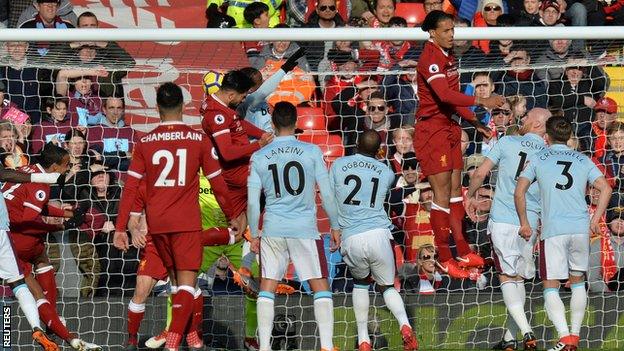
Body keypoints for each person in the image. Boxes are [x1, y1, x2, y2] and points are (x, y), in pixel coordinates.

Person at [113, 82, 244, 351]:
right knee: (187, 284)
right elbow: (218, 182)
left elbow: (130, 188)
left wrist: (119, 228)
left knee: (178, 285)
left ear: (158, 107)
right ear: (184, 106)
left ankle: (191, 338)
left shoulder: (145, 142)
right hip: (185, 222)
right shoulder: (198, 139)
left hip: (157, 225)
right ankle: (173, 341)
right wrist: (231, 214)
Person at [414, 10, 505, 278]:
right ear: (432, 32)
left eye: (452, 30)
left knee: (456, 192)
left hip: (450, 126)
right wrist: (482, 101)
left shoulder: (449, 57)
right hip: (432, 130)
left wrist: (474, 122)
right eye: (445, 30)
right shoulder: (430, 58)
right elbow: (443, 94)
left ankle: (462, 250)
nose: (451, 35)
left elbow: (451, 100)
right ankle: (444, 257)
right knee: (441, 195)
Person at [247, 101, 340, 351]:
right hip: (304, 229)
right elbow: (328, 193)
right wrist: (335, 225)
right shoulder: (311, 152)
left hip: (273, 228)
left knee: (267, 285)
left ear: (273, 124)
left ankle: (265, 347)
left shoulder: (258, 156)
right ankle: (327, 346)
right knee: (319, 284)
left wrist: (254, 233)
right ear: (296, 122)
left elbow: (254, 202)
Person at [515, 116, 612, 351]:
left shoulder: (538, 158)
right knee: (578, 281)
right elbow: (607, 187)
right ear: (569, 137)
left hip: (553, 230)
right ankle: (575, 337)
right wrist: (595, 219)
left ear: (546, 136)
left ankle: (564, 337)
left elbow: (519, 192)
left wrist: (525, 222)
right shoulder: (582, 158)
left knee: (550, 283)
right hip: (580, 228)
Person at [466, 107, 553, 350]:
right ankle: (509, 339)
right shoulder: (548, 153)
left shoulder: (507, 141)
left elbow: (480, 173)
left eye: (526, 118)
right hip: (530, 222)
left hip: (503, 218)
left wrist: (470, 197)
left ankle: (526, 331)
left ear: (536, 124)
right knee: (518, 279)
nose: (522, 120)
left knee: (506, 276)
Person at [3, 142, 100, 350]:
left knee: (36, 270)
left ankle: (50, 325)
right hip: (17, 239)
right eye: (66, 165)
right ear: (55, 166)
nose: (68, 169)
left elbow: (37, 205)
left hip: (10, 236)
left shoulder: (24, 171)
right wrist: (61, 226)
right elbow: (29, 218)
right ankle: (59, 330)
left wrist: (68, 213)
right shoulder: (41, 185)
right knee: (33, 283)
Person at [330, 130, 418, 351]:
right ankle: (405, 326)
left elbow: (329, 197)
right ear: (379, 150)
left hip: (351, 235)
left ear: (356, 143)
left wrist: (335, 227)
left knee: (360, 284)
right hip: (379, 233)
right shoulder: (386, 171)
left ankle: (363, 340)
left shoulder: (338, 165)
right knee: (387, 286)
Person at [0, 148, 65, 351]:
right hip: (6, 233)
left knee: (24, 277)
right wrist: (58, 225)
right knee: (19, 284)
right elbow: (4, 174)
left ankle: (11, 341)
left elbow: (4, 174)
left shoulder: (21, 171)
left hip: (9, 231)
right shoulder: (33, 180)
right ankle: (40, 325)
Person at [201, 70, 273, 218]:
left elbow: (238, 123)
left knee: (241, 224)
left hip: (244, 174)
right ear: (231, 95)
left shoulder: (221, 107)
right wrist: (258, 144)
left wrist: (261, 134)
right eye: (243, 96)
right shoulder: (216, 116)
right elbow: (227, 153)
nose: (243, 100)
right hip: (238, 178)